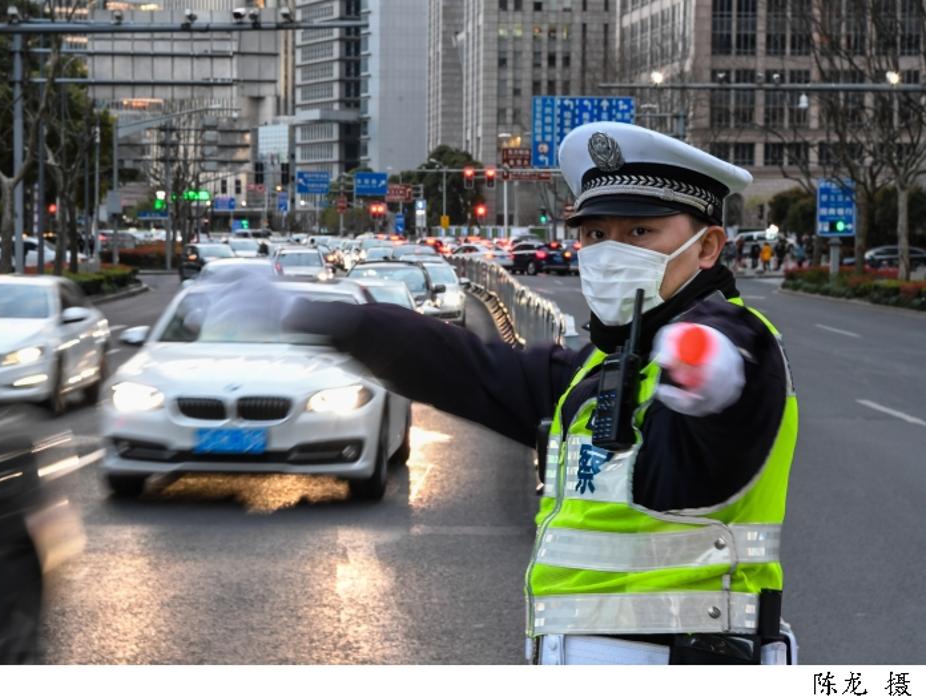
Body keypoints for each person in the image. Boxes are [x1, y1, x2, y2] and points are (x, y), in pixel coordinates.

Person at [280, 122, 799, 665]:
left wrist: (705, 364)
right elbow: (464, 367)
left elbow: (729, 360)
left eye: (640, 232)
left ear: (708, 246)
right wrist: (315, 319)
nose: (611, 252)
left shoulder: (736, 344)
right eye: (595, 235)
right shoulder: (600, 365)